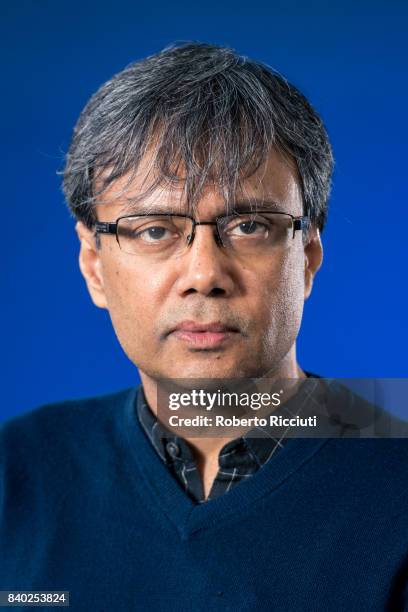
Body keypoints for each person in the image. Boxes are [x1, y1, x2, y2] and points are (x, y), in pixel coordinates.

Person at [1, 42, 407, 611]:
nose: (204, 274)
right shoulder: (16, 473)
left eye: (248, 225)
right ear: (94, 265)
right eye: (154, 229)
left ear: (308, 256)